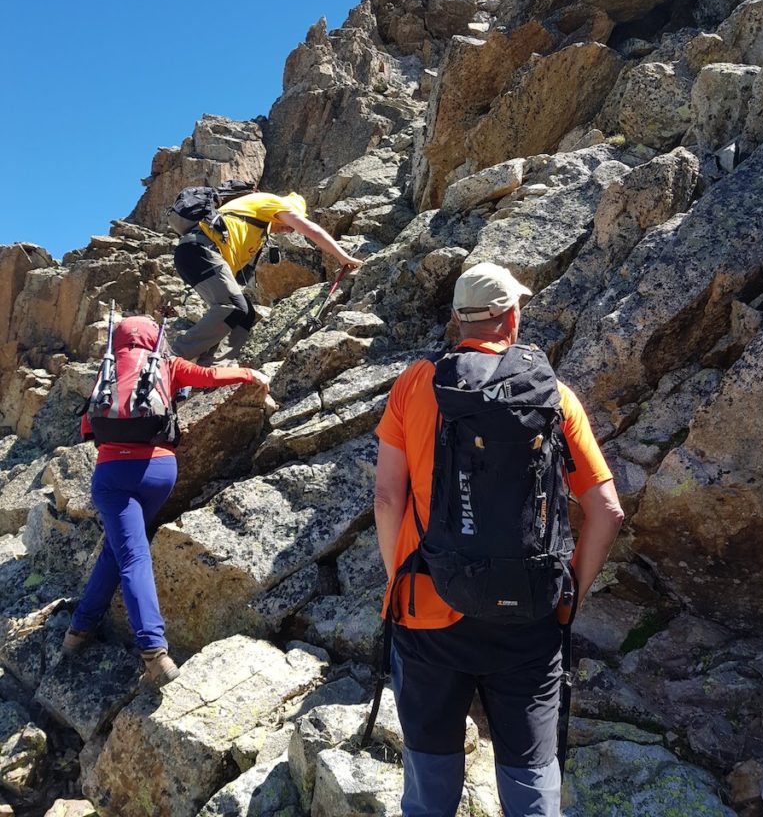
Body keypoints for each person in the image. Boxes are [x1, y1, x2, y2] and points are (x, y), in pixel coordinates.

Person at [374, 262, 624, 817]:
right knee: (531, 780)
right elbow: (606, 512)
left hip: (428, 613)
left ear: (458, 319)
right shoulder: (553, 395)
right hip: (528, 618)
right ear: (511, 315)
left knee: (428, 788)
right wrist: (568, 601)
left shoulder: (416, 384)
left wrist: (401, 586)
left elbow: (387, 501)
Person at [63, 315, 270, 686]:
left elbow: (86, 429)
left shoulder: (109, 369)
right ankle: (79, 629)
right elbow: (209, 377)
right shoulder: (165, 364)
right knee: (120, 547)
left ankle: (153, 651)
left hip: (113, 476)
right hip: (160, 473)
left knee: (131, 554)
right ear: (154, 337)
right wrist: (248, 374)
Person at [171, 189, 362, 364]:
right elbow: (312, 230)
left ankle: (211, 366)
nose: (290, 230)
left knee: (244, 314)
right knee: (233, 307)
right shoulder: (273, 203)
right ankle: (174, 355)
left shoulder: (257, 229)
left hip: (196, 255)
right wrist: (342, 257)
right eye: (291, 224)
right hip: (200, 249)